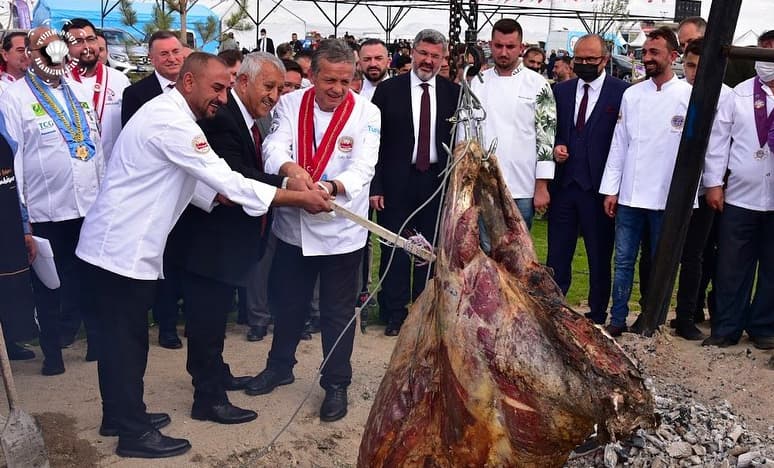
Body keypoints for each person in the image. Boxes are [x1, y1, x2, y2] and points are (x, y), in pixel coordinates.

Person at [75, 52, 331, 458]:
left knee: (121, 339)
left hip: (123, 247)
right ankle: (132, 431)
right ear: (188, 82)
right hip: (121, 249)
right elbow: (226, 180)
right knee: (127, 343)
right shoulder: (172, 121)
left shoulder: (173, 116)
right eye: (217, 88)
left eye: (227, 88)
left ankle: (119, 414)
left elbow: (197, 187)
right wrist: (296, 197)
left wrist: (225, 196)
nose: (223, 98)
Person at [166, 52, 319, 424]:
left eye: (280, 90)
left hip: (227, 244)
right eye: (268, 87)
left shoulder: (247, 119)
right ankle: (208, 398)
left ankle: (215, 373)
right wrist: (290, 188)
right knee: (206, 320)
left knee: (215, 317)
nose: (274, 97)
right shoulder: (223, 119)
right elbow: (237, 177)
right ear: (244, 81)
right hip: (209, 244)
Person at [245, 39, 380, 424]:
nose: (337, 89)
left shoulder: (368, 112)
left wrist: (330, 187)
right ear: (312, 76)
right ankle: (279, 366)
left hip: (341, 229)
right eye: (328, 80)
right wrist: (291, 170)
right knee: (288, 303)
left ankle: (336, 383)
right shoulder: (290, 104)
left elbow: (363, 166)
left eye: (345, 80)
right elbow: (273, 146)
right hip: (295, 226)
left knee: (338, 313)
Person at [0, 26, 105, 373]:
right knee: (48, 284)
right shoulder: (13, 97)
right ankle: (53, 354)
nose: (54, 55)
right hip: (45, 209)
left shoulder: (77, 91)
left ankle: (95, 343)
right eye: (44, 48)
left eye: (58, 47)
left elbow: (97, 148)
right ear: (30, 54)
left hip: (87, 205)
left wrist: (105, 199)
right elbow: (14, 158)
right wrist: (23, 218)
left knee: (90, 277)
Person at [599, 27, 692, 337]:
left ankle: (653, 320)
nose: (647, 58)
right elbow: (619, 143)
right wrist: (611, 188)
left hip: (667, 198)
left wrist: (688, 197)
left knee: (660, 264)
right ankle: (617, 317)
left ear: (673, 56)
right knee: (623, 260)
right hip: (630, 195)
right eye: (645, 52)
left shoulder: (688, 96)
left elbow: (696, 151)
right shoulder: (632, 94)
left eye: (655, 53)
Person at [370, 29, 459, 336]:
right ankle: (393, 313)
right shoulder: (387, 90)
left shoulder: (453, 93)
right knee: (394, 248)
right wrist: (376, 185)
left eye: (436, 56)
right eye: (423, 53)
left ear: (443, 58)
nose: (428, 60)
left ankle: (422, 311)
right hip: (395, 181)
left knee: (429, 252)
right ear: (412, 52)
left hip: (434, 182)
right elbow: (375, 144)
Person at [547, 34, 628, 326]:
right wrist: (556, 148)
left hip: (598, 188)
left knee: (599, 253)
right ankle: (554, 308)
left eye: (590, 59)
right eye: (578, 59)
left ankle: (597, 312)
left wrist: (614, 187)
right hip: (565, 186)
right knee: (558, 252)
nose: (583, 64)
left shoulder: (621, 92)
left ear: (604, 60)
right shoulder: (561, 91)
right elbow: (550, 130)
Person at [702, 30, 774, 349]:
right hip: (740, 196)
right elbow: (718, 142)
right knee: (731, 265)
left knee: (772, 267)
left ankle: (764, 327)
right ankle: (727, 327)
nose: (767, 57)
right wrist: (714, 183)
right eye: (764, 50)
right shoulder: (739, 94)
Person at [121, 30, 186, 349]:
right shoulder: (137, 94)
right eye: (164, 54)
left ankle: (187, 318)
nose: (172, 59)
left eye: (176, 52)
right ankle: (166, 325)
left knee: (186, 258)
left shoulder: (195, 86)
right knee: (163, 260)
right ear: (152, 59)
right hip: (159, 191)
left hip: (195, 187)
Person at [672, 38, 732, 341]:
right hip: (671, 185)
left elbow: (720, 145)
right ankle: (654, 309)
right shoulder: (675, 93)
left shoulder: (727, 97)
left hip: (705, 187)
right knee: (663, 251)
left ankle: (687, 315)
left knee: (695, 254)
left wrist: (714, 184)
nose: (695, 72)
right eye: (690, 65)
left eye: (700, 65)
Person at [471, 19, 556, 229]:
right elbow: (467, 133)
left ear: (521, 47)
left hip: (522, 186)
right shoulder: (477, 82)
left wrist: (542, 185)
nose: (503, 52)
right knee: (485, 252)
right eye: (498, 46)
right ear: (490, 45)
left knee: (519, 254)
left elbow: (546, 137)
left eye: (510, 47)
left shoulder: (538, 84)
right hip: (483, 185)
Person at [0, 111, 39, 361]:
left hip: (6, 210)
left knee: (7, 283)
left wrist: (24, 225)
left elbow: (12, 170)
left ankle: (8, 341)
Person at [65, 18, 131, 160]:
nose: (87, 47)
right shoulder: (59, 81)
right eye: (78, 42)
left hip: (114, 168)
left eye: (91, 39)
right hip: (77, 168)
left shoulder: (120, 80)